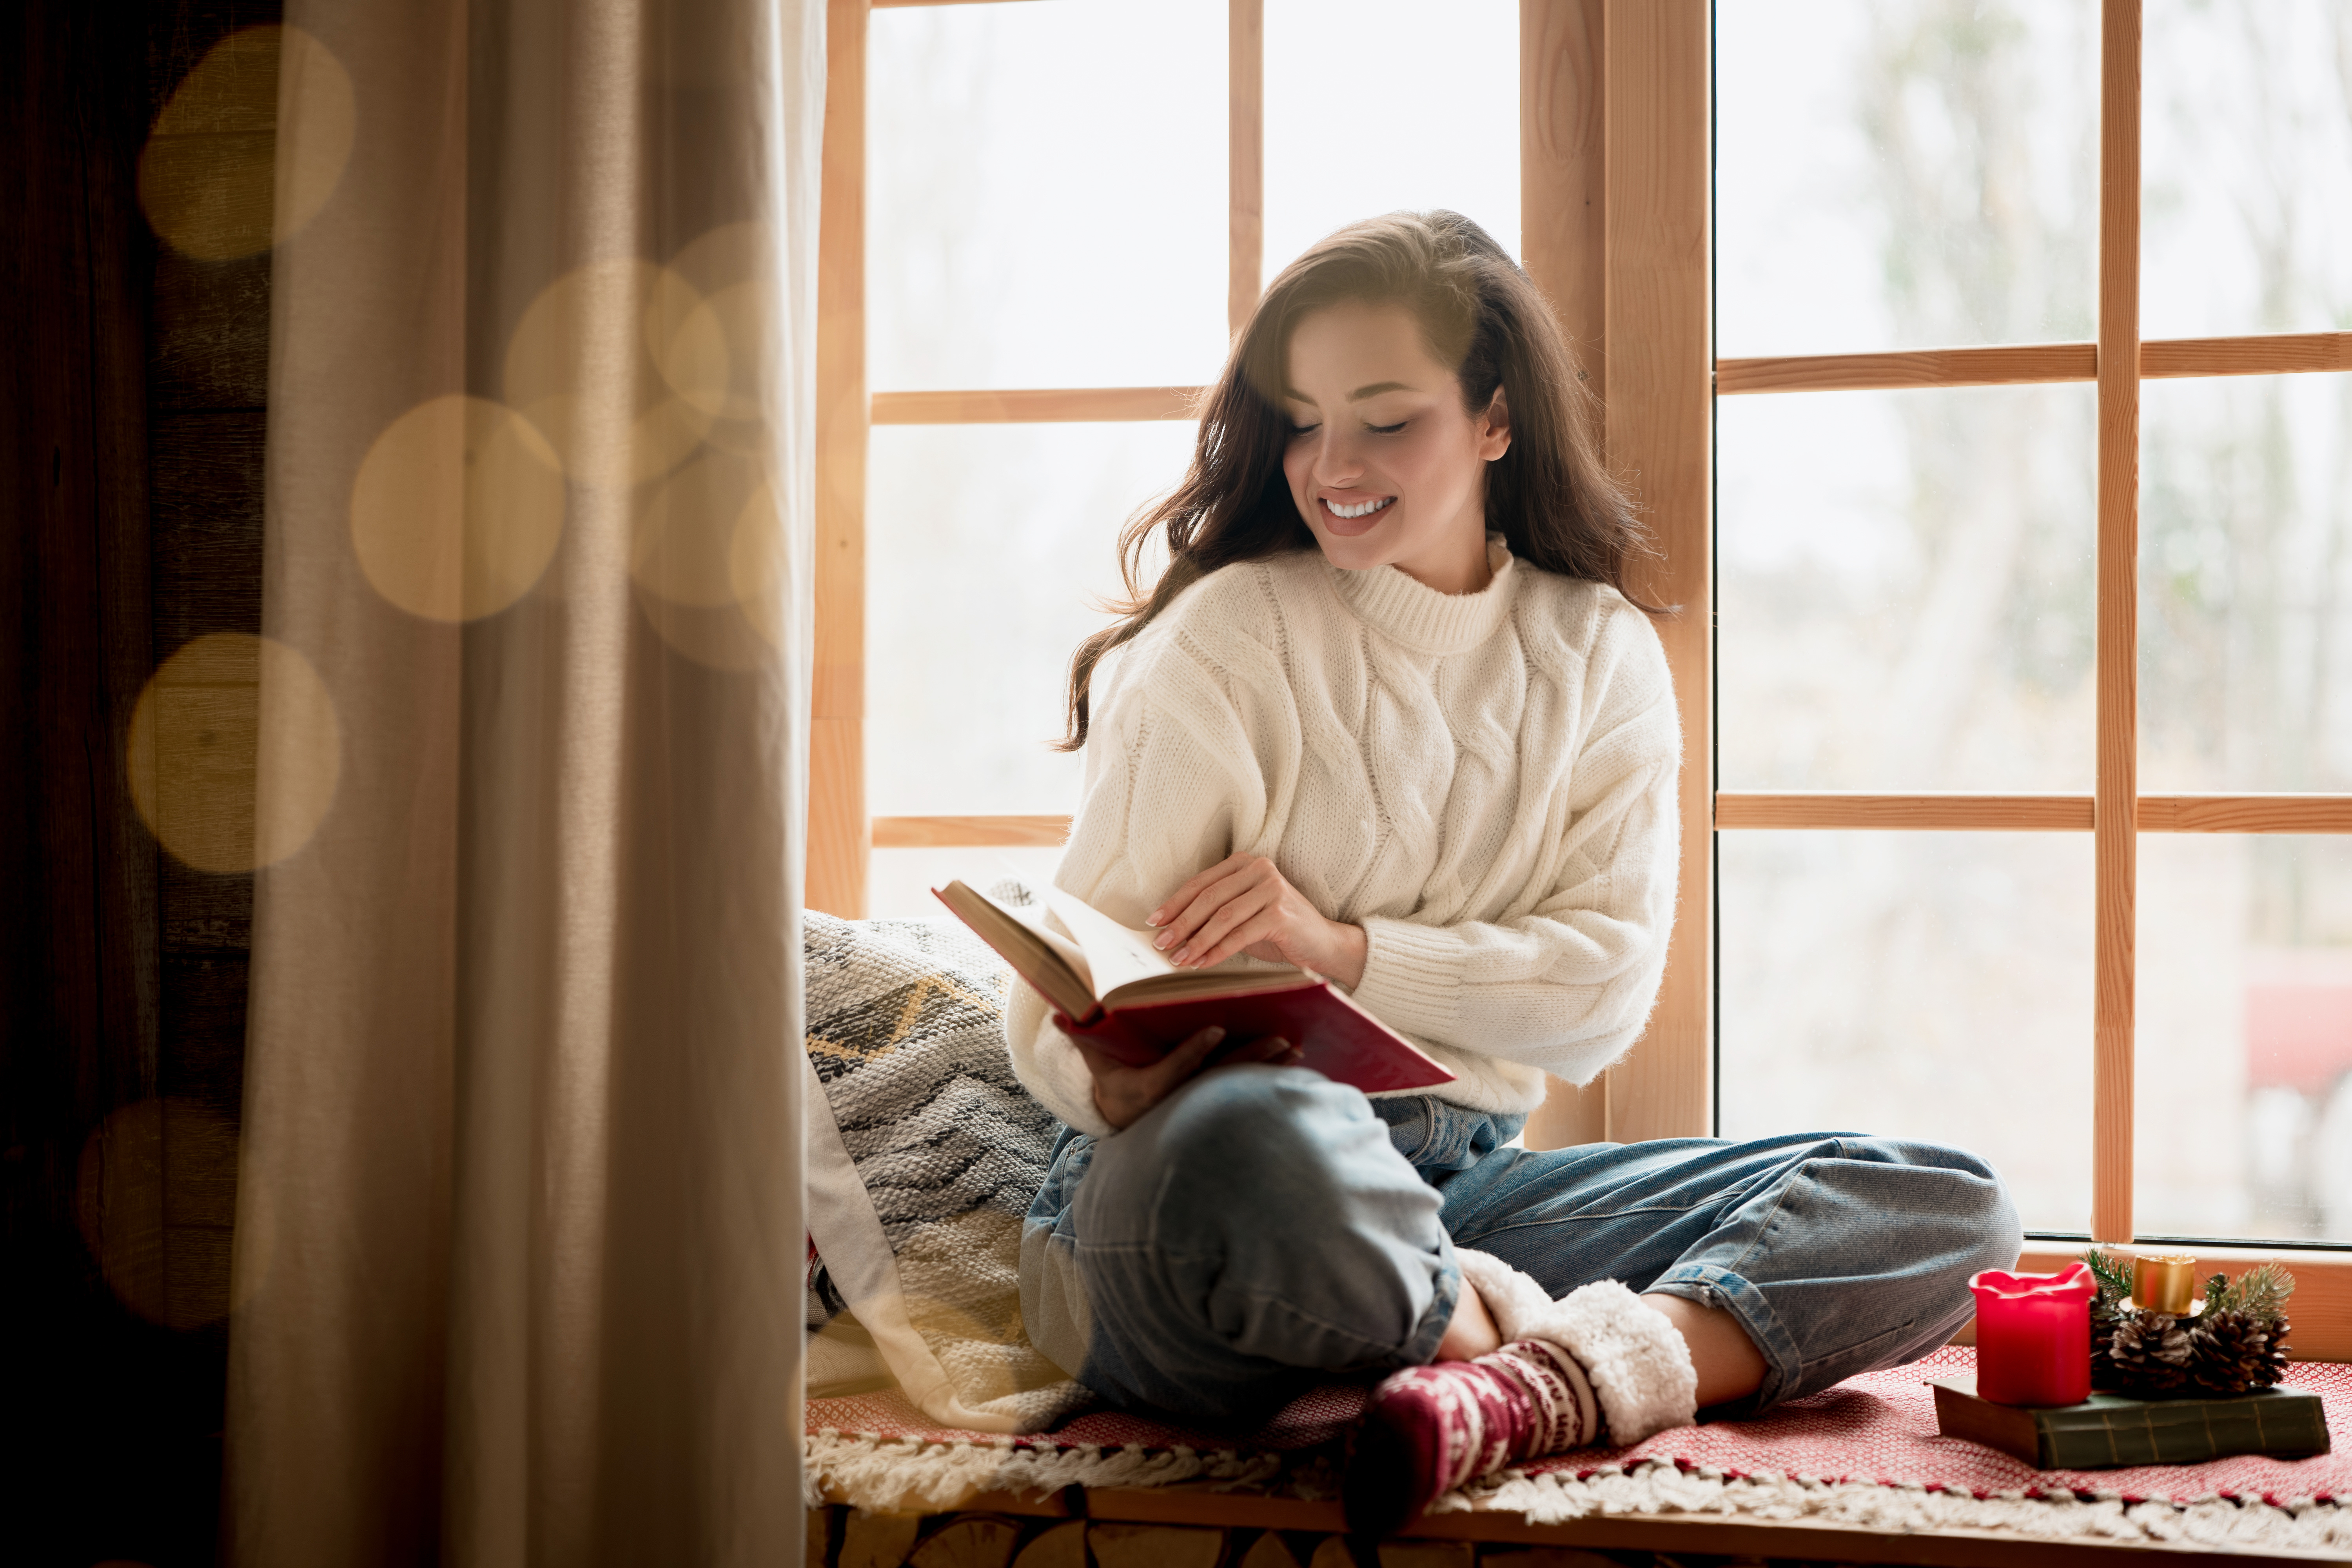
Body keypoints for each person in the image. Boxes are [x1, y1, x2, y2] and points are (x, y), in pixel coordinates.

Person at [1004, 211, 2020, 1536]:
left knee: (1947, 1207)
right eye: (1303, 423)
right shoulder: (1226, 638)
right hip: (1198, 1194)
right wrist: (1115, 1079)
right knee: (1259, 1141)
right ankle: (1486, 1330)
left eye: (1385, 419)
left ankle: (1534, 1381)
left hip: (1467, 1188)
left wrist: (1345, 954)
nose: (1332, 465)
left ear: (1495, 419)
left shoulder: (1596, 656)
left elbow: (1599, 996)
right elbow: (1057, 998)